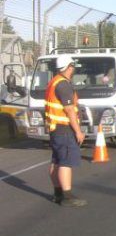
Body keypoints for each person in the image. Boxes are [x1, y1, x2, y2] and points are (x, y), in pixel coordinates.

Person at [45, 54, 87, 207]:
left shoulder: (53, 82)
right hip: (64, 129)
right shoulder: (63, 84)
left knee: (56, 161)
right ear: (69, 67)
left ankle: (58, 194)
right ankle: (67, 196)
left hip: (56, 129)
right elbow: (69, 110)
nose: (74, 69)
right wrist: (78, 131)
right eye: (73, 66)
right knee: (65, 162)